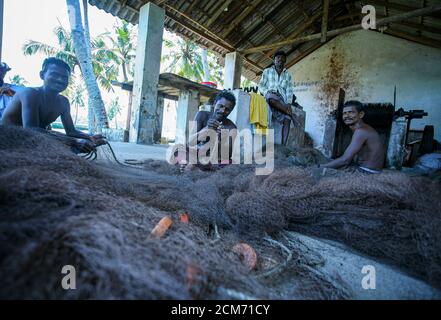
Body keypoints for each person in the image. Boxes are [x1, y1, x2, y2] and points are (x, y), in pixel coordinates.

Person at [1, 57, 105, 153]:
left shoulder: (64, 102)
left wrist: (89, 137)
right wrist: (74, 141)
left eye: (64, 77)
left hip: (35, 137)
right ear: (42, 75)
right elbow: (31, 130)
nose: (60, 80)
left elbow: (71, 131)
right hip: (9, 139)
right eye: (55, 75)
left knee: (80, 144)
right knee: (68, 146)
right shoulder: (30, 93)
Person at [174, 91, 237, 170]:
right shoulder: (202, 115)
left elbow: (226, 156)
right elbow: (190, 142)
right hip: (197, 154)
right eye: (220, 106)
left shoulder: (231, 128)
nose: (222, 111)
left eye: (227, 109)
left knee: (228, 165)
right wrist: (206, 129)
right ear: (214, 104)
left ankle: (192, 166)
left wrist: (220, 140)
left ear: (231, 111)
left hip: (214, 159)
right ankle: (195, 167)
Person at [322, 100, 385, 173]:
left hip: (367, 171)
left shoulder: (361, 131)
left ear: (361, 114)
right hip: (366, 168)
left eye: (351, 112)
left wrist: (320, 167)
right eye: (344, 113)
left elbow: (345, 160)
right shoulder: (361, 129)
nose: (347, 116)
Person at [258, 50, 297, 145]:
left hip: (282, 99)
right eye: (277, 57)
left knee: (287, 120)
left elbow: (289, 90)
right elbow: (261, 85)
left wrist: (288, 103)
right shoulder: (267, 71)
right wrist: (266, 92)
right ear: (274, 60)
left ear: (285, 60)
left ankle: (283, 145)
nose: (279, 59)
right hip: (270, 94)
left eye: (282, 58)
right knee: (271, 97)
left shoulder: (287, 75)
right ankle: (291, 115)